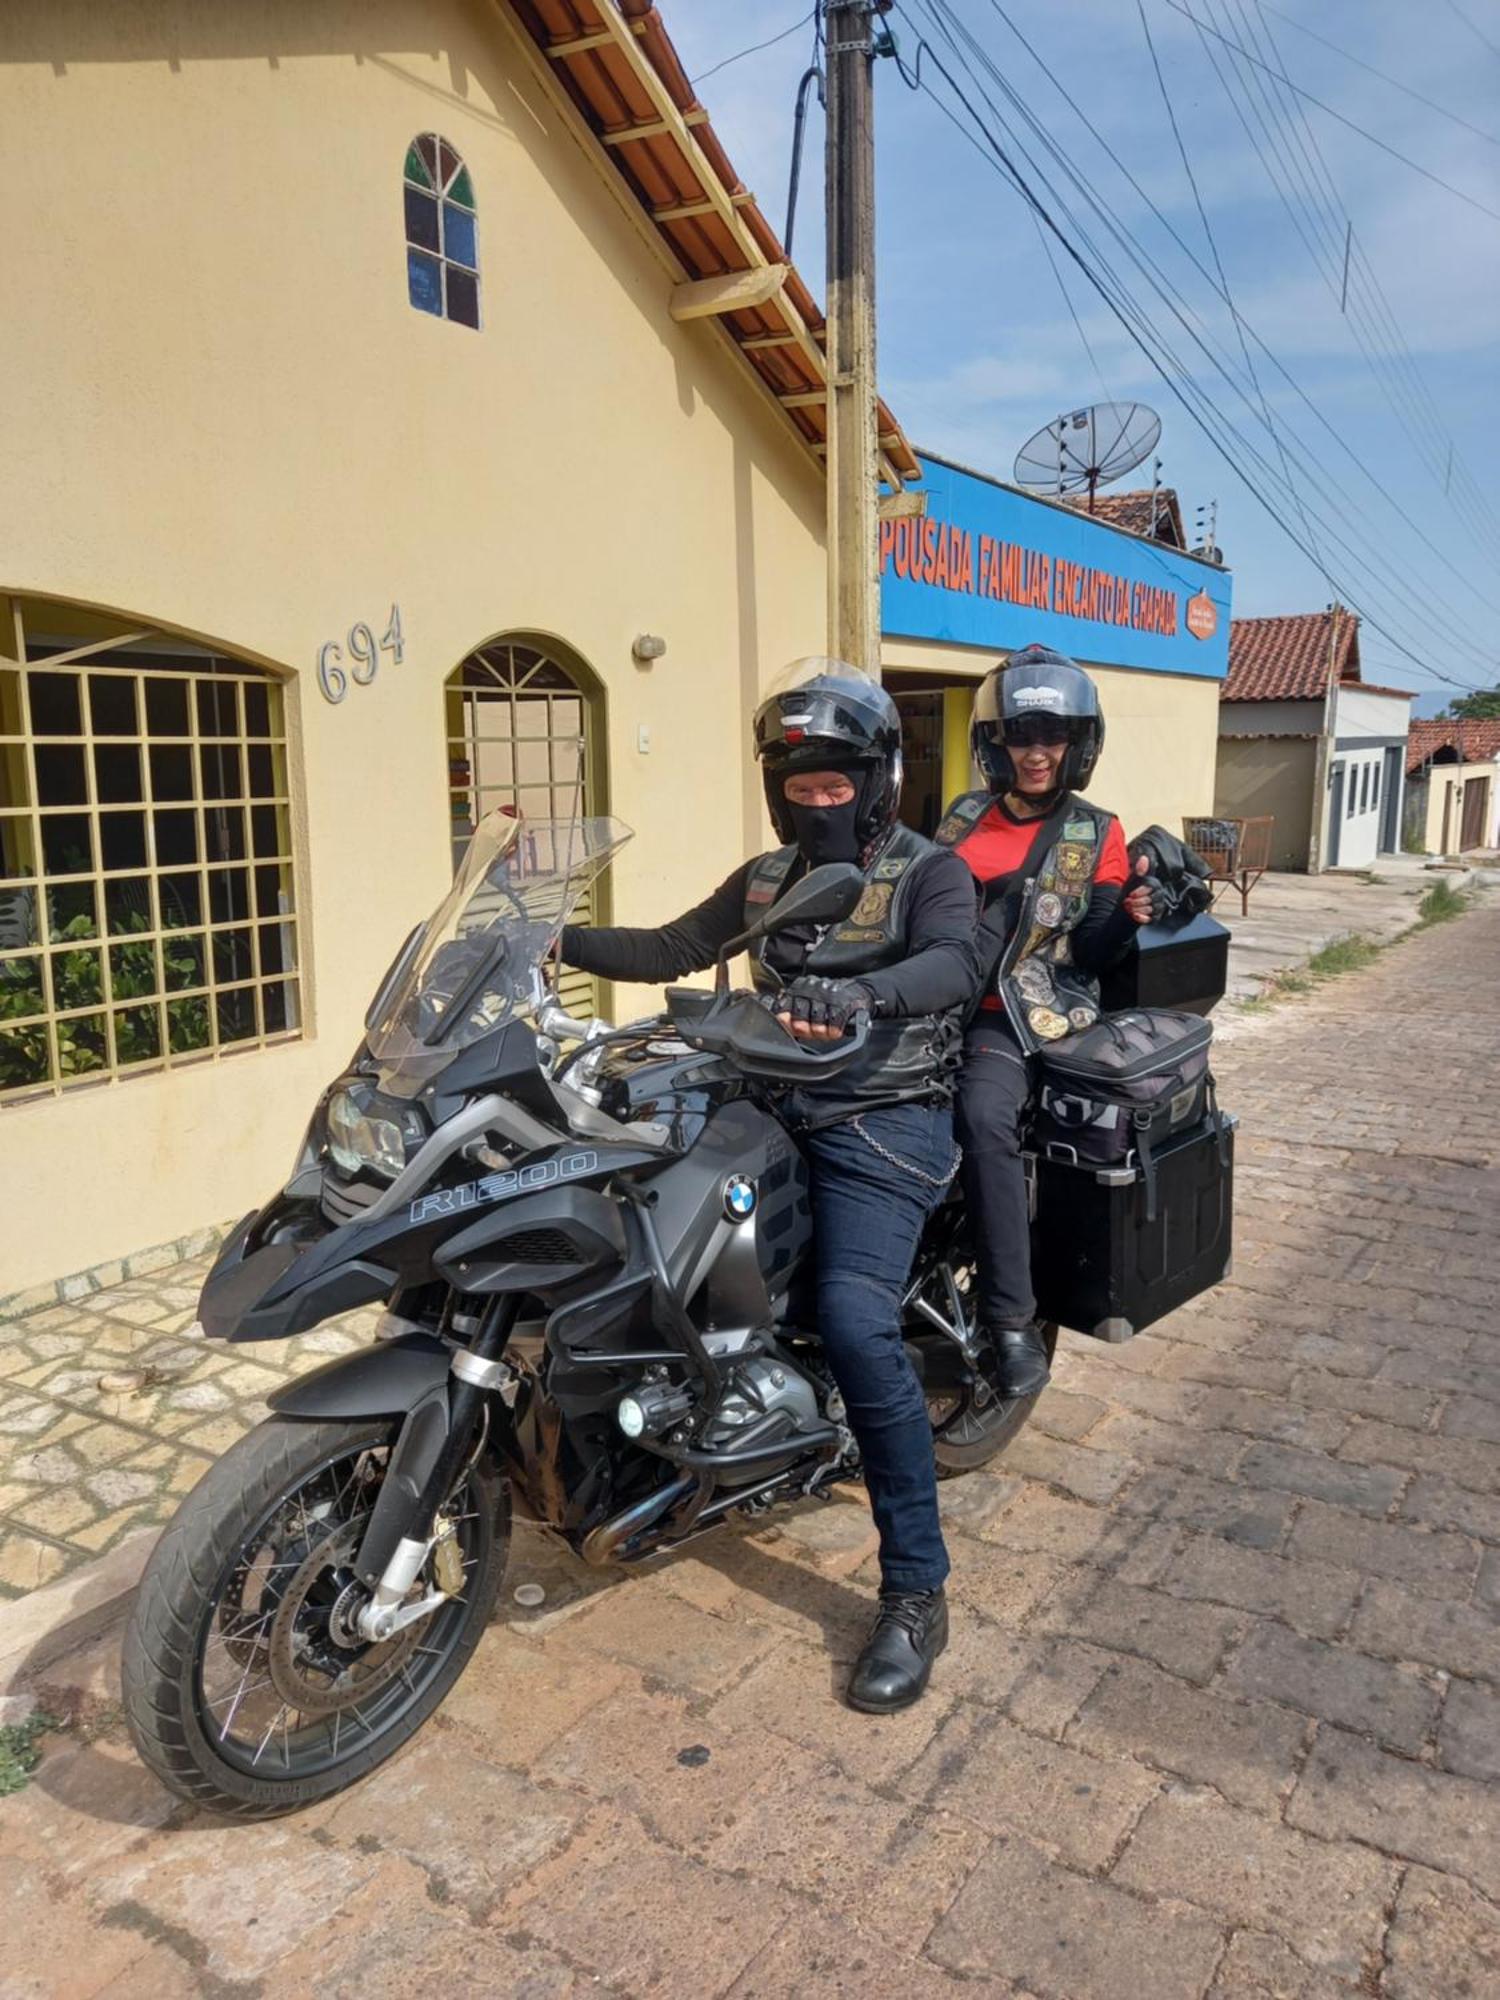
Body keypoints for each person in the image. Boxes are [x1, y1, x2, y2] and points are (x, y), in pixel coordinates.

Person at [558, 660, 980, 1712]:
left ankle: (917, 1590)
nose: (819, 800)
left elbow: (951, 966)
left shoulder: (931, 870)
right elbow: (670, 946)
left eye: (837, 785)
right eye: (801, 786)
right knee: (629, 1223)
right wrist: (546, 936)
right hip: (766, 1101)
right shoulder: (763, 877)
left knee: (850, 1317)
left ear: (877, 779)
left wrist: (863, 993)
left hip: (882, 1122)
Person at [934, 644, 1159, 1398]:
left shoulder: (1098, 830)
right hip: (935, 1000)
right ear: (995, 742)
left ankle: (1008, 1320)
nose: (1035, 753)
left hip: (1020, 1018)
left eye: (1051, 737)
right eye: (1020, 736)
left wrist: (1128, 918)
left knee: (983, 1119)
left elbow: (1092, 947)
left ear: (1078, 744)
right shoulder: (963, 815)